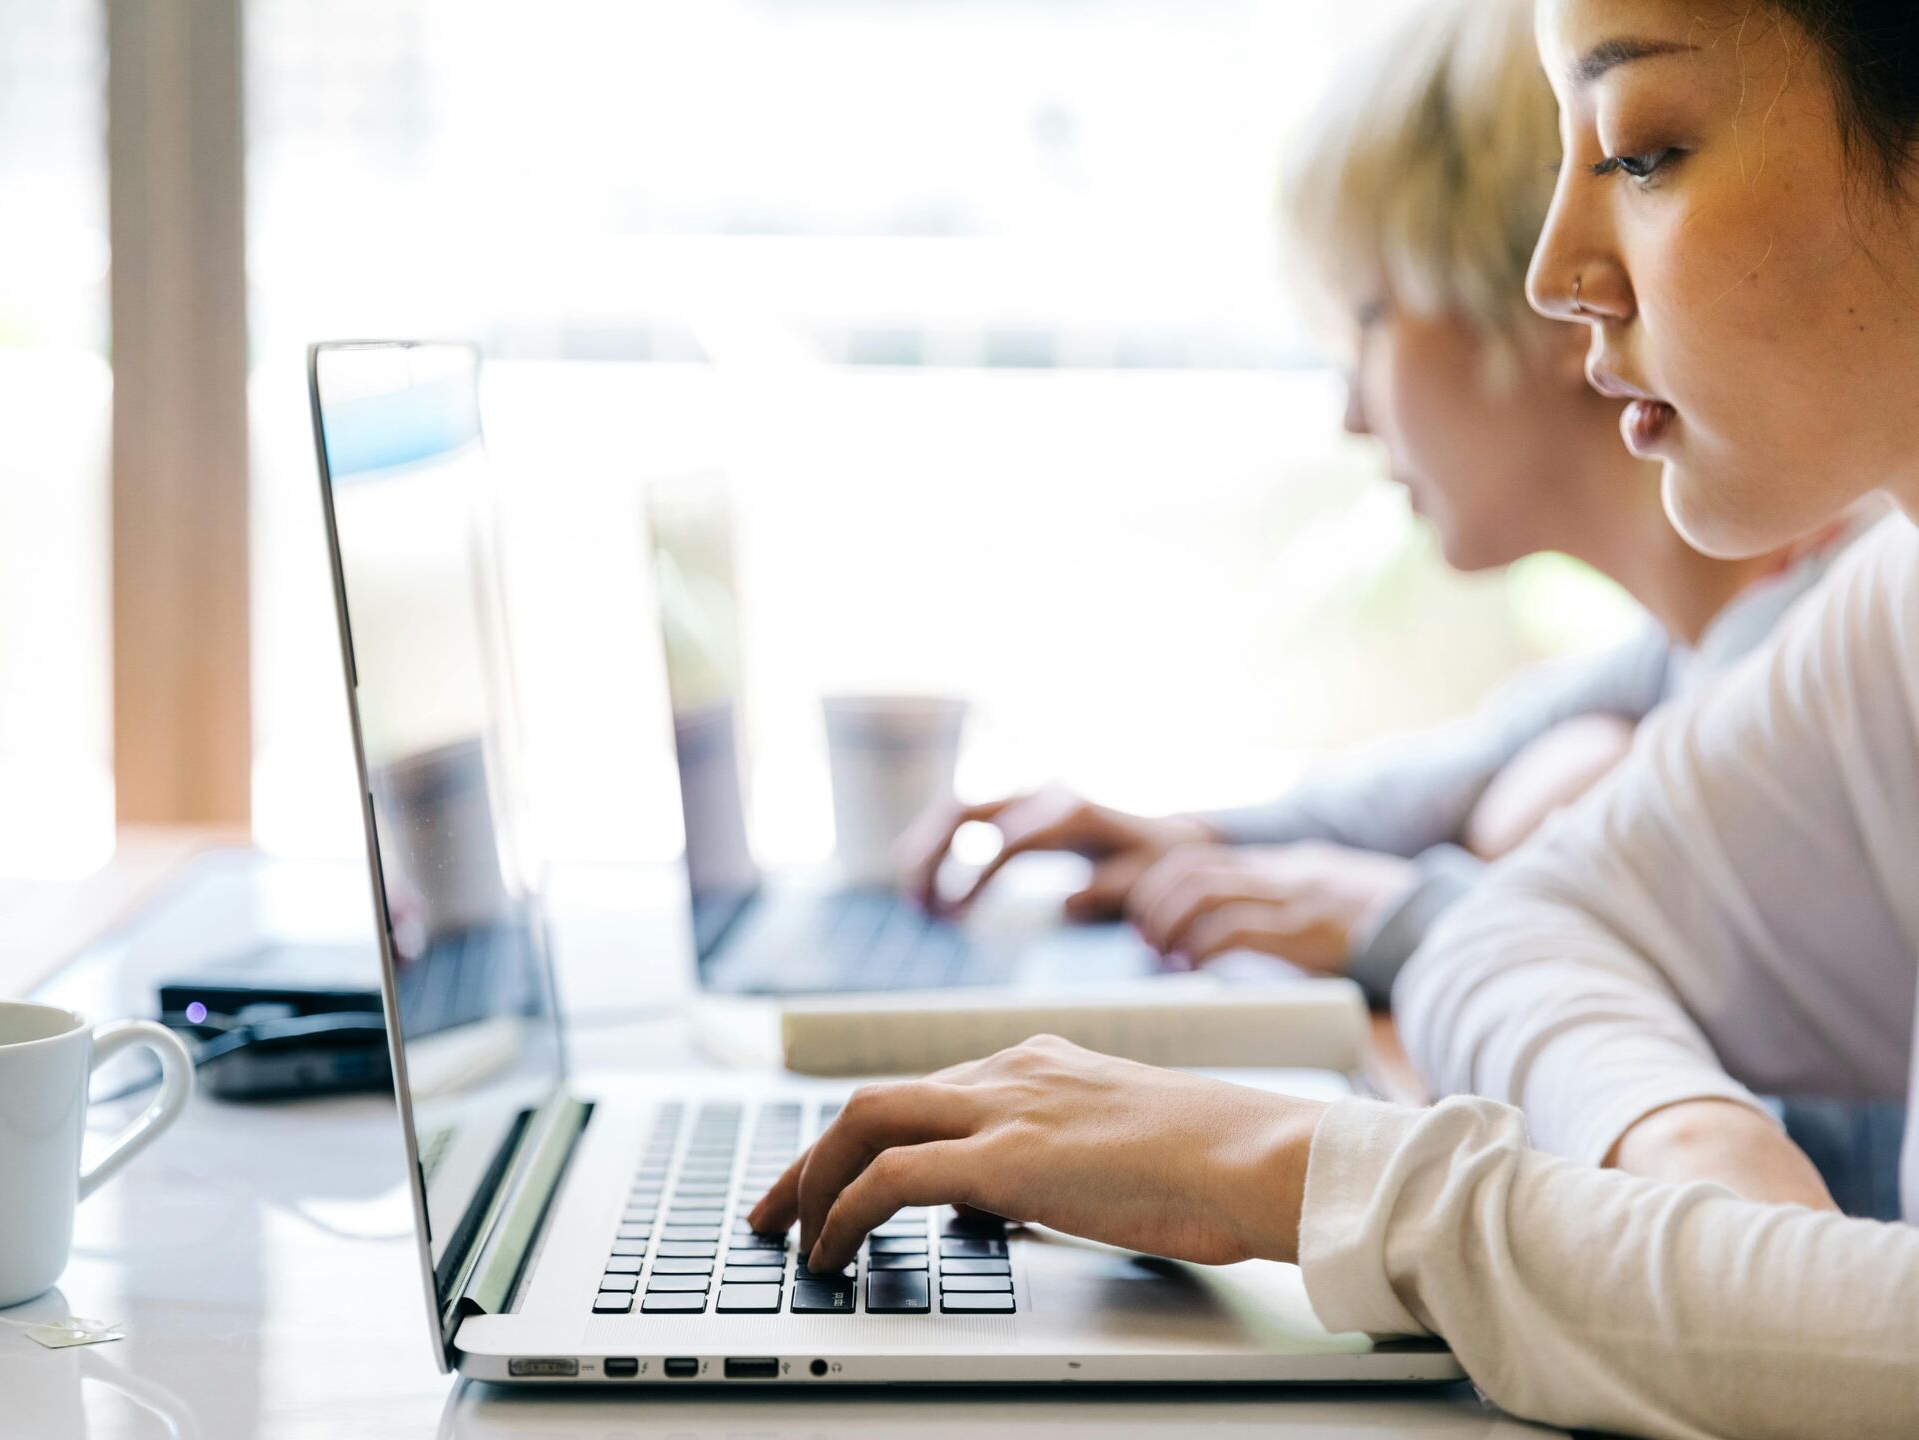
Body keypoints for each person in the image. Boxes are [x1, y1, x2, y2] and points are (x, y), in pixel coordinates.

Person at [750, 2, 1919, 1435]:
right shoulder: (1897, 610)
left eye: (1645, 148)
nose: (1552, 270)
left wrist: (1300, 1175)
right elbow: (1519, 922)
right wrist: (1692, 1159)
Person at [896, 0, 1859, 1008]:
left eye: (1370, 320)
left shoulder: (1830, 659)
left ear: (1562, 320)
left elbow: (1714, 967)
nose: (1355, 412)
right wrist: (1209, 837)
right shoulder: (1700, 640)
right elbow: (1458, 770)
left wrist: (1398, 917)